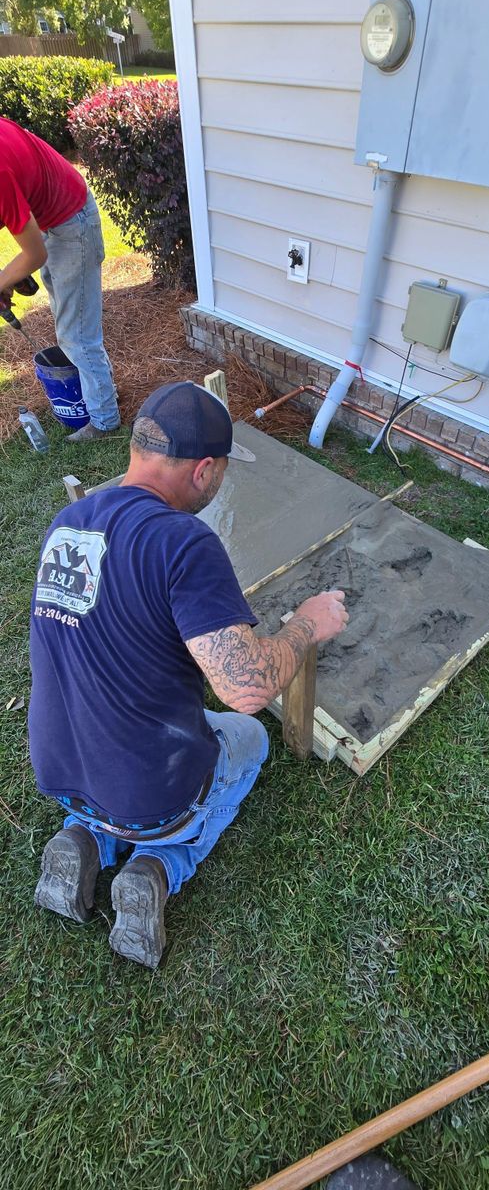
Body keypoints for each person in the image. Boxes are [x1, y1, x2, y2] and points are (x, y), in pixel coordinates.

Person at [29, 381, 349, 968]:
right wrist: (306, 624)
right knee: (247, 739)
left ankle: (85, 836)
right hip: (149, 793)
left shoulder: (67, 523)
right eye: (222, 472)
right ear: (203, 471)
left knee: (140, 724)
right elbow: (246, 687)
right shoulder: (182, 542)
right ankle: (157, 866)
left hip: (59, 767)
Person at [0, 116, 120, 441]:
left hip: (72, 223)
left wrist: (2, 281)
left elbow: (34, 255)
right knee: (73, 326)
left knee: (77, 336)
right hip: (52, 219)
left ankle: (104, 422)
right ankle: (98, 394)